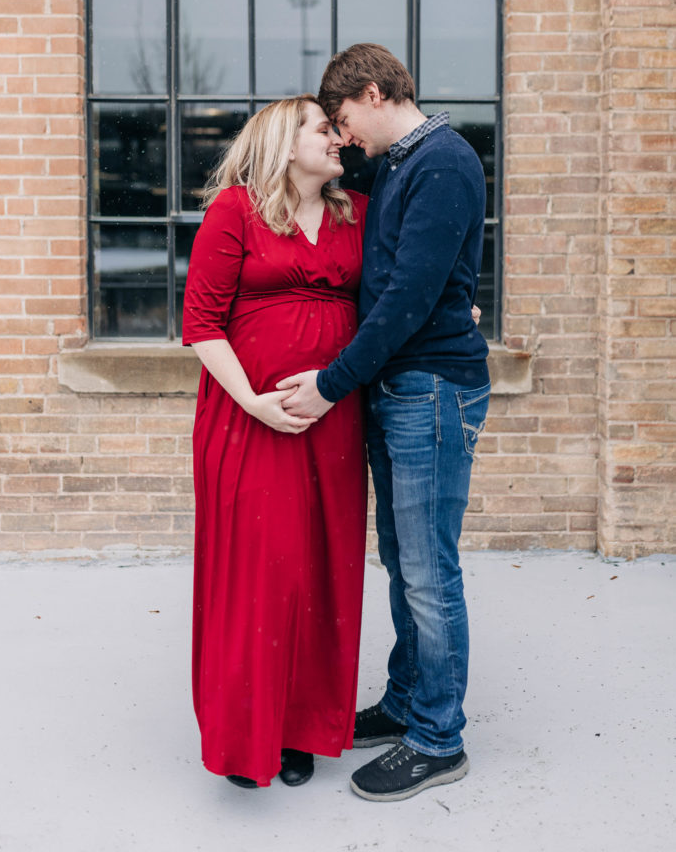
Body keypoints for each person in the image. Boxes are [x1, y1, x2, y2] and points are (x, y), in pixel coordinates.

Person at [277, 44, 491, 802]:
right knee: (406, 562)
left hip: (432, 390)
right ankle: (408, 702)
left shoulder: (442, 162)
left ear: (372, 93)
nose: (342, 139)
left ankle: (438, 737)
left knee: (428, 569)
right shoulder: (403, 162)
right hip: (404, 390)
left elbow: (406, 298)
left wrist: (332, 384)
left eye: (341, 121)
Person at [182, 95, 368, 789]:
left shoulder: (359, 217)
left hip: (334, 422)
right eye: (323, 129)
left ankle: (297, 729)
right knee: (259, 576)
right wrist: (255, 404)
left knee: (319, 573)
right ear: (285, 143)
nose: (337, 141)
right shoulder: (235, 212)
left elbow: (397, 288)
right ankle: (243, 735)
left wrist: (454, 299)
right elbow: (201, 324)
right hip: (246, 420)